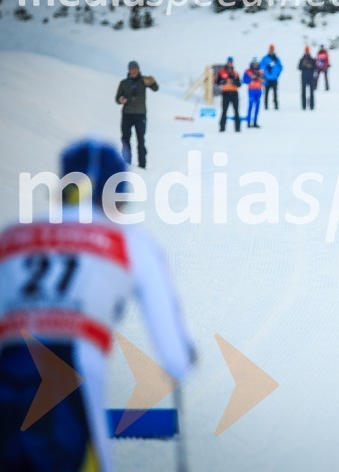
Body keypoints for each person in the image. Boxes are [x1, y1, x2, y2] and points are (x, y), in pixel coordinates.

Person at [0, 139, 194, 472]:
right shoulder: (130, 240)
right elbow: (176, 357)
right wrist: (183, 360)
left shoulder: (12, 235)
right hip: (72, 380)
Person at [115, 61, 157, 169]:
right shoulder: (124, 83)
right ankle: (126, 162)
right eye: (132, 68)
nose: (134, 70)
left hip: (140, 115)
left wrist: (153, 82)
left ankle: (142, 165)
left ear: (138, 69)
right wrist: (121, 100)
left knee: (141, 140)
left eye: (136, 68)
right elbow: (117, 98)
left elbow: (155, 89)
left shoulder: (144, 80)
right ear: (129, 70)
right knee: (125, 139)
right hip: (127, 114)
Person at [216, 56, 242, 132]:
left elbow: (239, 84)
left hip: (234, 93)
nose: (230, 64)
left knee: (236, 111)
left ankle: (237, 128)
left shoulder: (235, 73)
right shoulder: (221, 72)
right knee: (224, 111)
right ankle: (222, 128)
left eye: (231, 63)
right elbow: (217, 82)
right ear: (227, 63)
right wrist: (223, 81)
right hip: (226, 93)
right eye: (229, 62)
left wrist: (234, 81)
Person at [242, 57, 264, 128]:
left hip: (258, 90)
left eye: (256, 64)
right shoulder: (248, 71)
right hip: (251, 90)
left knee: (257, 106)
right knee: (250, 106)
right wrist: (251, 78)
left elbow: (265, 81)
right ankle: (248, 122)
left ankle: (255, 122)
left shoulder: (261, 71)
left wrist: (261, 79)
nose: (255, 65)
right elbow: (244, 80)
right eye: (254, 64)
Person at [260, 44, 283, 110]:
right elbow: (261, 67)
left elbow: (280, 67)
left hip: (274, 79)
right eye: (270, 50)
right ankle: (266, 107)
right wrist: (266, 69)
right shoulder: (265, 58)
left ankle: (276, 107)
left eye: (272, 50)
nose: (271, 51)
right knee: (266, 94)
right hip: (267, 79)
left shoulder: (276, 59)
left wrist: (277, 73)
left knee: (275, 93)